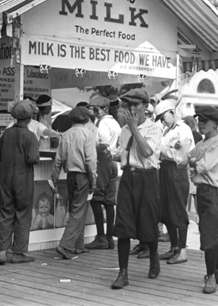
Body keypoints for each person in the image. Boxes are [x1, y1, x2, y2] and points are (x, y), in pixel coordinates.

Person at [110, 88, 163, 290]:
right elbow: (126, 153)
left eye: (136, 105)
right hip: (128, 178)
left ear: (145, 106)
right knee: (123, 223)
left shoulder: (154, 128)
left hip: (147, 177)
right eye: (129, 105)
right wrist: (114, 155)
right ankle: (123, 273)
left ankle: (154, 256)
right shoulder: (124, 130)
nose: (132, 109)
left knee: (148, 221)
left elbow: (148, 151)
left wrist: (134, 128)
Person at [187, 106, 218, 294]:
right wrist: (192, 162)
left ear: (216, 123)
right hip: (202, 192)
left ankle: (210, 275)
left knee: (211, 234)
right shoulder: (203, 143)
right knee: (209, 230)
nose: (200, 124)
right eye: (199, 120)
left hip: (214, 192)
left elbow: (202, 166)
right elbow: (189, 157)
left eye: (205, 121)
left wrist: (194, 164)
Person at [0, 99, 40, 265]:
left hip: (6, 177)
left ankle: (2, 251)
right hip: (23, 179)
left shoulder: (6, 134)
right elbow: (33, 158)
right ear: (29, 118)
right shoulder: (30, 136)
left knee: (6, 212)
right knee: (22, 213)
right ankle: (18, 252)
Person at [51, 106, 97, 259]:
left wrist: (55, 177)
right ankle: (65, 245)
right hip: (83, 175)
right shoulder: (88, 134)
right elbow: (90, 160)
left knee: (75, 209)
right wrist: (93, 180)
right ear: (86, 119)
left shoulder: (65, 135)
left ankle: (79, 245)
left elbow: (58, 159)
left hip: (69, 175)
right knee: (78, 211)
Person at [155, 99, 195, 265]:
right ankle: (174, 247)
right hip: (164, 169)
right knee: (167, 210)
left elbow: (186, 154)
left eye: (163, 115)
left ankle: (182, 250)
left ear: (172, 112)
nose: (162, 120)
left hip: (177, 170)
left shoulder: (183, 128)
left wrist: (175, 148)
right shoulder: (165, 130)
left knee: (178, 209)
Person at [85, 96, 121, 250]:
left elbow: (103, 145)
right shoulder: (115, 123)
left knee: (97, 199)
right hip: (113, 163)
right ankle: (109, 237)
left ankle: (101, 237)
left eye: (95, 108)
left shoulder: (103, 123)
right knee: (109, 201)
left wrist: (90, 150)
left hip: (104, 161)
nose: (93, 111)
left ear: (103, 109)